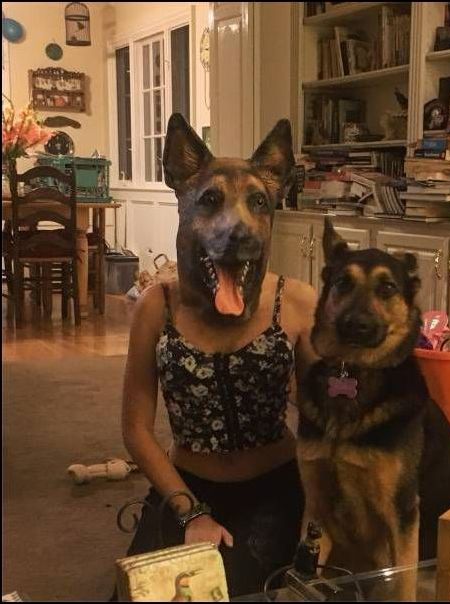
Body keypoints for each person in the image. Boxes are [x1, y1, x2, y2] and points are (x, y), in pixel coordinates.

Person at [119, 114, 318, 597]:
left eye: (257, 203)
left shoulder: (297, 302)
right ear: (184, 207)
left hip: (273, 487)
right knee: (145, 594)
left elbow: (323, 417)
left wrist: (321, 515)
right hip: (185, 486)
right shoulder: (155, 307)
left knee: (234, 591)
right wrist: (190, 511)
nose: (239, 224)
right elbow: (136, 430)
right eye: (211, 202)